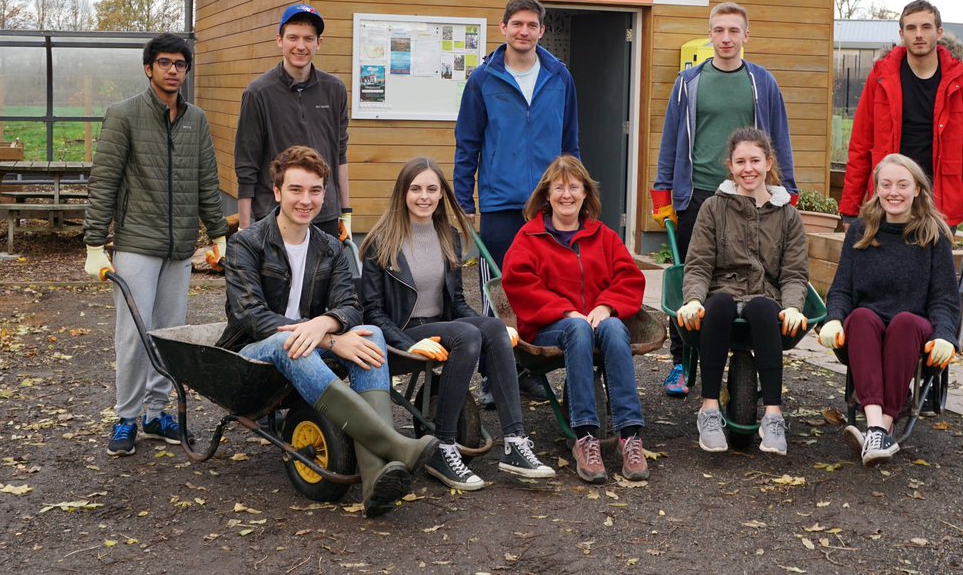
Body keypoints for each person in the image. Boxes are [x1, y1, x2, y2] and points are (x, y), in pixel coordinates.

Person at [217, 146, 436, 517]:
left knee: (371, 334)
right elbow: (250, 316)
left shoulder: (330, 248)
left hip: (308, 348)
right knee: (291, 341)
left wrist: (325, 324)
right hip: (252, 355)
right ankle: (395, 446)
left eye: (315, 191)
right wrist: (328, 338)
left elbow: (350, 306)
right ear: (277, 191)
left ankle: (373, 480)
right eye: (296, 190)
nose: (306, 200)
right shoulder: (246, 244)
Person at [359, 157, 555, 490]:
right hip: (399, 335)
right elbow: (373, 313)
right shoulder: (382, 241)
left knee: (491, 327)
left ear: (441, 194)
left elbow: (457, 303)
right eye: (416, 189)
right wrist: (407, 344)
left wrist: (491, 325)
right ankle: (443, 446)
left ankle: (515, 444)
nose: (424, 196)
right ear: (402, 193)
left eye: (432, 189)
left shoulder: (447, 235)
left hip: (443, 328)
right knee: (466, 333)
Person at [84, 33, 229, 456]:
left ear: (186, 70)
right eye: (164, 63)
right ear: (149, 68)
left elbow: (206, 180)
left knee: (169, 334)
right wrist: (96, 243)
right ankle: (126, 417)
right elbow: (105, 181)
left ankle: (155, 412)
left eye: (179, 64)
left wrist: (217, 233)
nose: (172, 70)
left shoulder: (196, 120)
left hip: (180, 247)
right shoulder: (124, 115)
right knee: (133, 335)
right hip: (136, 245)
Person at [652, 1, 798, 398]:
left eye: (734, 31)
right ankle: (682, 361)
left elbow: (779, 138)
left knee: (750, 272)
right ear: (710, 34)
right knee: (691, 277)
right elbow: (670, 140)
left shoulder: (762, 82)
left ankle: (746, 351)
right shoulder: (689, 82)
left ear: (746, 36)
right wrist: (663, 190)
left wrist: (789, 188)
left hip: (752, 193)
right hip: (698, 193)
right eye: (719, 30)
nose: (726, 38)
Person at [454, 0, 579, 405]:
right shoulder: (484, 79)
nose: (524, 31)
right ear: (504, 28)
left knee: (543, 289)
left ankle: (525, 369)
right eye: (517, 24)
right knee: (499, 291)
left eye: (532, 25)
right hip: (501, 204)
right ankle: (493, 376)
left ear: (541, 31)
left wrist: (570, 193)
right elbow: (467, 143)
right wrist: (463, 201)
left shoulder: (559, 76)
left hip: (547, 205)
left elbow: (570, 145)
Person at [502, 156, 649, 484]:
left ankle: (630, 435)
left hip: (597, 321)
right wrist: (566, 311)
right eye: (558, 187)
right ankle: (585, 437)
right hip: (550, 328)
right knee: (578, 329)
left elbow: (629, 276)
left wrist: (607, 306)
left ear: (585, 193)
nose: (566, 194)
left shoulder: (604, 236)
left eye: (573, 187)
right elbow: (520, 283)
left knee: (612, 327)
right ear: (547, 194)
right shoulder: (530, 238)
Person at [820, 153, 960, 466]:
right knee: (862, 316)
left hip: (913, 331)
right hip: (864, 331)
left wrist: (945, 335)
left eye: (902, 184)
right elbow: (842, 288)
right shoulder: (861, 230)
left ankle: (876, 430)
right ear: (877, 189)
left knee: (904, 323)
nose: (893, 192)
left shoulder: (933, 235)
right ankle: (878, 430)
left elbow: (945, 299)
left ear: (917, 191)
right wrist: (833, 319)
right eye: (886, 184)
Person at [676, 128, 809, 455]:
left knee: (765, 311)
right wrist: (693, 299)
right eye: (740, 162)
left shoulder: (787, 214)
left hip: (764, 293)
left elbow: (793, 272)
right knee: (717, 307)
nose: (748, 168)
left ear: (768, 163)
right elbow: (698, 264)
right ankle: (708, 409)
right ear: (730, 166)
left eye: (755, 160)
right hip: (722, 290)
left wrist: (792, 306)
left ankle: (773, 416)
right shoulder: (713, 208)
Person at [839, 0, 963, 247]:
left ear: (939, 32)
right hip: (889, 199)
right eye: (911, 28)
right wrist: (849, 207)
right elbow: (860, 145)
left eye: (926, 27)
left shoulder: (961, 83)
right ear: (901, 34)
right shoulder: (881, 78)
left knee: (933, 281)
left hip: (939, 203)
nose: (918, 35)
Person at [235, 4, 352, 241]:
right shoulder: (258, 93)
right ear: (280, 40)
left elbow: (339, 154)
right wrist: (244, 229)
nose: (301, 46)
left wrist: (345, 213)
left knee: (321, 279)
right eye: (293, 37)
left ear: (318, 43)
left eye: (309, 38)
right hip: (274, 215)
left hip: (324, 215)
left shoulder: (335, 90)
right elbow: (247, 166)